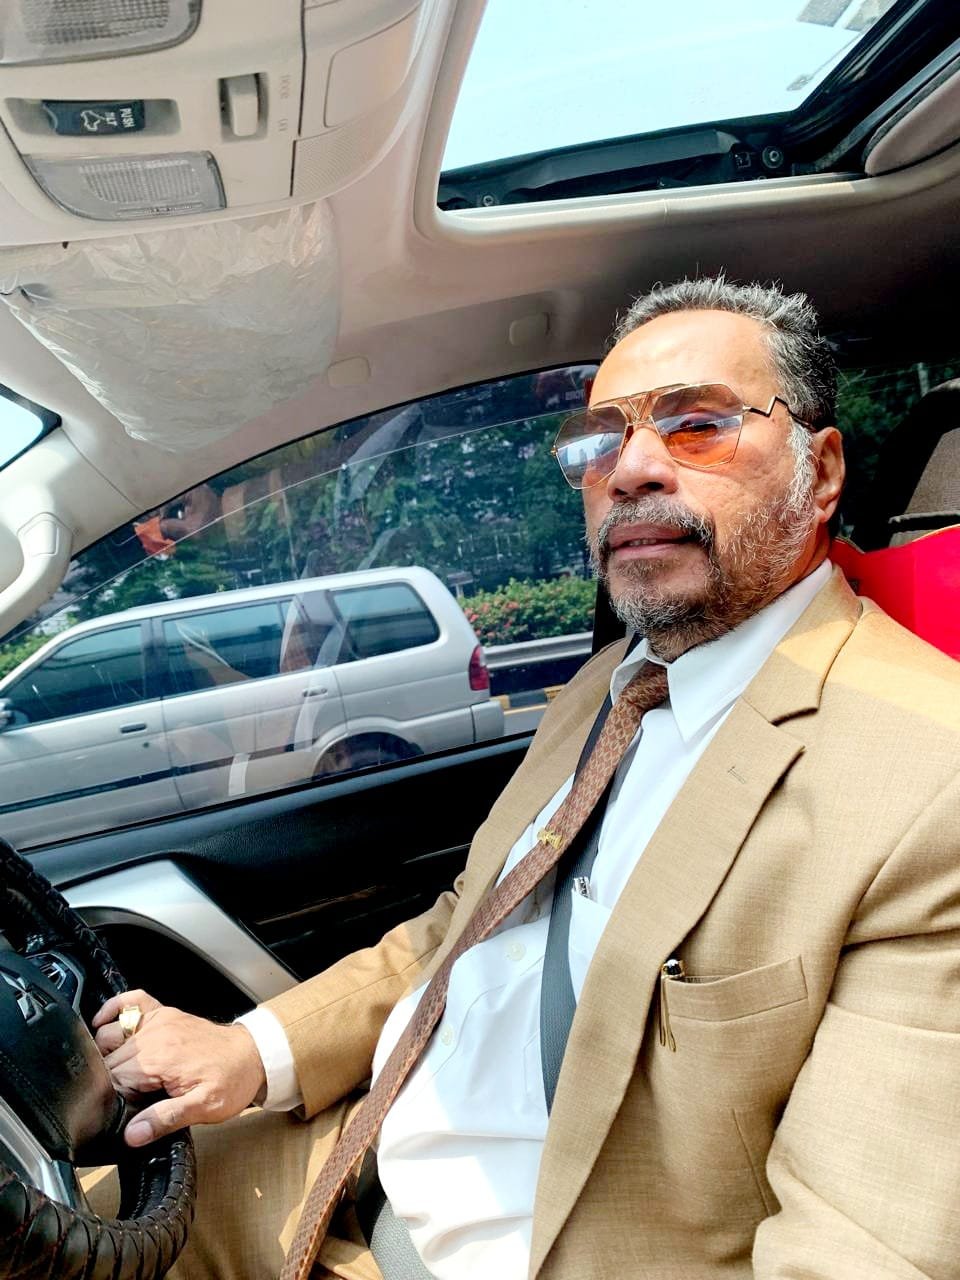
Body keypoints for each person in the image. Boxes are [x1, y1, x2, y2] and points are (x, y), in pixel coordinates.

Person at [92, 277, 960, 1280]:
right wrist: (252, 1053)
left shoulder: (925, 781)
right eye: (600, 440)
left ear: (823, 470)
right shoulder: (606, 687)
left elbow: (859, 1248)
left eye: (699, 425)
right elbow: (460, 929)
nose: (630, 468)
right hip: (350, 1154)